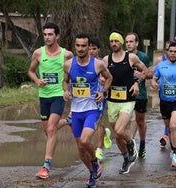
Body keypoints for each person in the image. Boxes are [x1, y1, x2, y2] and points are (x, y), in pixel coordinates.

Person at [63, 33, 112, 187]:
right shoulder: (69, 64)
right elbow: (65, 82)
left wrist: (103, 92)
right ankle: (92, 173)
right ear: (75, 46)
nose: (81, 48)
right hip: (76, 111)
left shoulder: (97, 64)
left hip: (92, 109)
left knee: (85, 141)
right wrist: (66, 91)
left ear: (89, 47)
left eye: (84, 46)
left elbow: (109, 78)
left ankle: (95, 163)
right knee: (80, 148)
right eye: (78, 45)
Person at [28, 22, 73, 179]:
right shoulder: (38, 54)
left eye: (50, 34)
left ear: (57, 35)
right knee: (47, 129)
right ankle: (68, 121)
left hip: (58, 95)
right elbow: (31, 71)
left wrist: (68, 91)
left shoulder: (67, 55)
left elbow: (72, 74)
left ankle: (46, 167)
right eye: (45, 34)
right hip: (44, 96)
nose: (47, 37)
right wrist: (37, 81)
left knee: (51, 129)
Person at [103, 31, 148, 174]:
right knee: (117, 136)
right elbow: (101, 76)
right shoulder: (106, 59)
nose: (114, 43)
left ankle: (131, 143)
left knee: (120, 130)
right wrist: (102, 81)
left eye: (116, 41)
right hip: (112, 101)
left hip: (127, 100)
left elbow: (145, 71)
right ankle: (126, 158)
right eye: (111, 41)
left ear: (121, 42)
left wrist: (137, 83)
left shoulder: (131, 57)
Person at [125, 32, 152, 159]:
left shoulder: (143, 56)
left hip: (140, 94)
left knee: (140, 121)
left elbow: (148, 73)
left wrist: (140, 77)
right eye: (127, 42)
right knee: (127, 120)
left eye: (131, 41)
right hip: (125, 94)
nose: (129, 44)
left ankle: (142, 144)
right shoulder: (122, 56)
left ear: (136, 43)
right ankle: (131, 145)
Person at [89, 37, 112, 161]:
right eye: (89, 49)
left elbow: (110, 78)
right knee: (91, 123)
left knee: (97, 121)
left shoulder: (102, 63)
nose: (91, 51)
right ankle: (105, 133)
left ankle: (98, 150)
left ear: (98, 50)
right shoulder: (82, 63)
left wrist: (103, 83)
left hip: (100, 95)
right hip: (86, 98)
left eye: (94, 49)